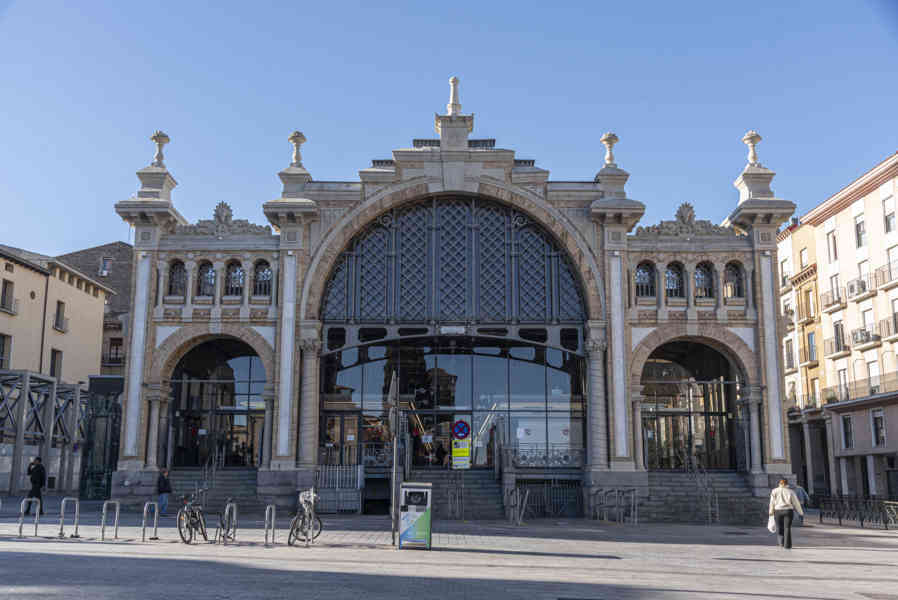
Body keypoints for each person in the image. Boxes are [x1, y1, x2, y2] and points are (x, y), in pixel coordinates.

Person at [769, 478, 804, 549]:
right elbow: (796, 503)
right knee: (787, 528)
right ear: (787, 484)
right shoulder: (791, 491)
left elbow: (772, 503)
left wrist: (771, 512)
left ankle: (781, 543)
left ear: (779, 484)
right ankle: (787, 545)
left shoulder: (774, 491)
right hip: (788, 511)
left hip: (778, 511)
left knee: (780, 528)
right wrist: (800, 512)